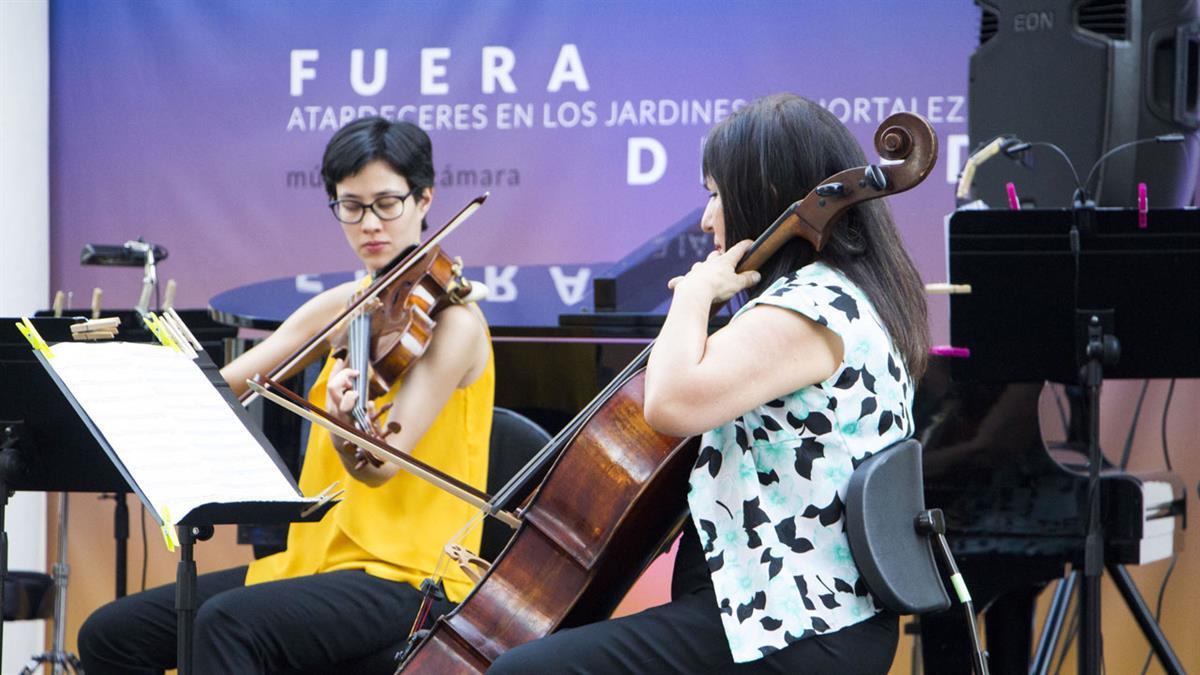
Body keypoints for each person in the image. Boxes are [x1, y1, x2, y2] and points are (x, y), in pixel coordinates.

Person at [487, 93, 929, 673]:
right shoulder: (840, 296)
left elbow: (668, 403)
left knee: (522, 672)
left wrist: (695, 293)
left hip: (793, 624)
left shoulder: (809, 308)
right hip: (783, 617)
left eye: (715, 195)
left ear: (768, 195)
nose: (705, 219)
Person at [78, 117, 495, 674]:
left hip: (408, 573)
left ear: (424, 200)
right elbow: (223, 387)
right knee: (112, 634)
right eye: (350, 205)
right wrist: (135, 374)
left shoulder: (454, 324)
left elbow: (377, 469)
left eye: (387, 203)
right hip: (317, 559)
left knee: (227, 624)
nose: (369, 223)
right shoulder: (348, 304)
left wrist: (345, 426)